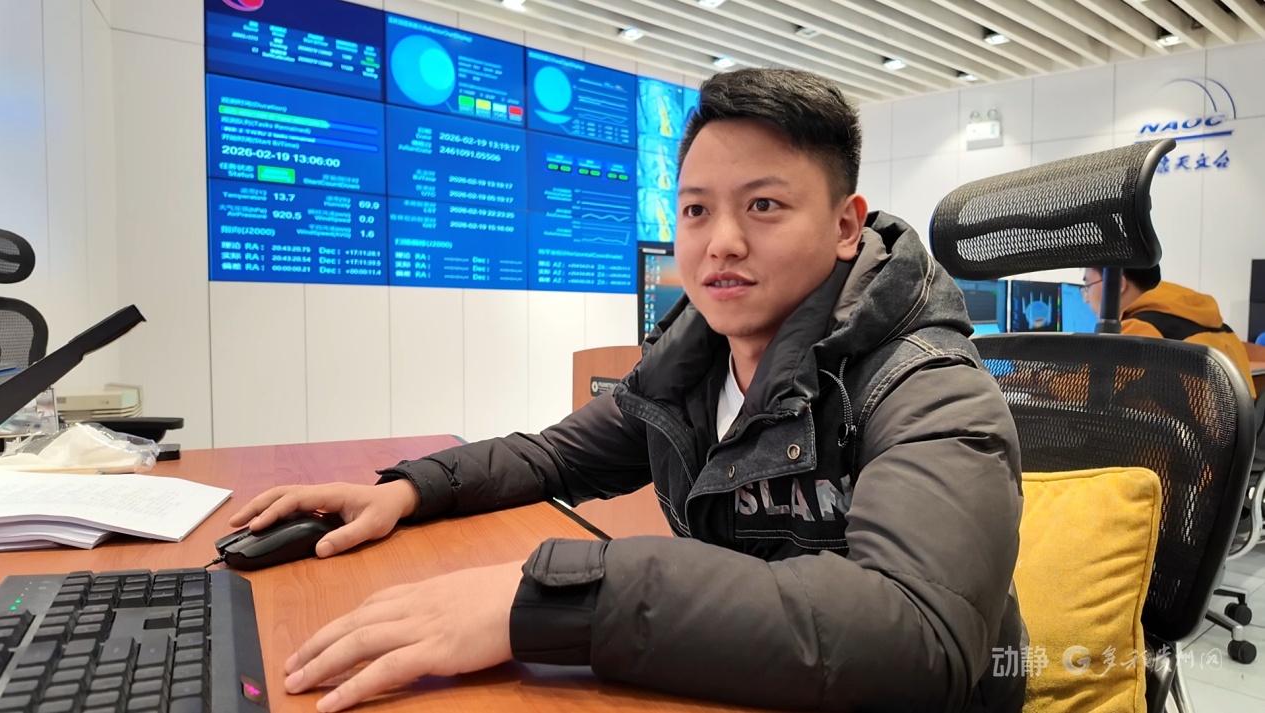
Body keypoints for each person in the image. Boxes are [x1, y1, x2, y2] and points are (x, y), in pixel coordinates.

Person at [229, 68, 1027, 713]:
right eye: (696, 209)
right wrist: (407, 490)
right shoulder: (690, 368)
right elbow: (551, 456)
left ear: (846, 225)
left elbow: (919, 640)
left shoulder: (928, 387)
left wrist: (557, 595)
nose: (721, 242)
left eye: (763, 205)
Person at [1082, 266, 1257, 397]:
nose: (1086, 298)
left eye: (1088, 285)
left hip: (1177, 436)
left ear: (1119, 283)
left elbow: (1081, 391)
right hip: (1228, 435)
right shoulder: (1219, 327)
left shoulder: (1142, 329)